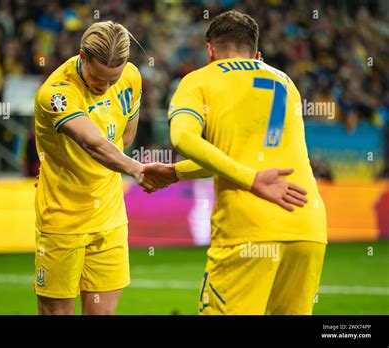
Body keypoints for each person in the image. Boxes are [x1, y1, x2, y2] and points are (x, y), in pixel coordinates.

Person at [34, 20, 309, 316]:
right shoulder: (57, 93)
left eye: (112, 80)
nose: (104, 86)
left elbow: (124, 137)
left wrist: (106, 164)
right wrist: (138, 169)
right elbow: (92, 142)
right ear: (83, 57)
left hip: (110, 215)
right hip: (63, 218)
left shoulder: (130, 77)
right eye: (98, 78)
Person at [167, 10, 327, 314]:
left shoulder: (200, 79)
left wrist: (252, 180)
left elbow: (183, 139)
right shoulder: (286, 82)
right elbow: (243, 152)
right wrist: (176, 172)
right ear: (257, 54)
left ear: (210, 50)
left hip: (248, 229)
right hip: (307, 226)